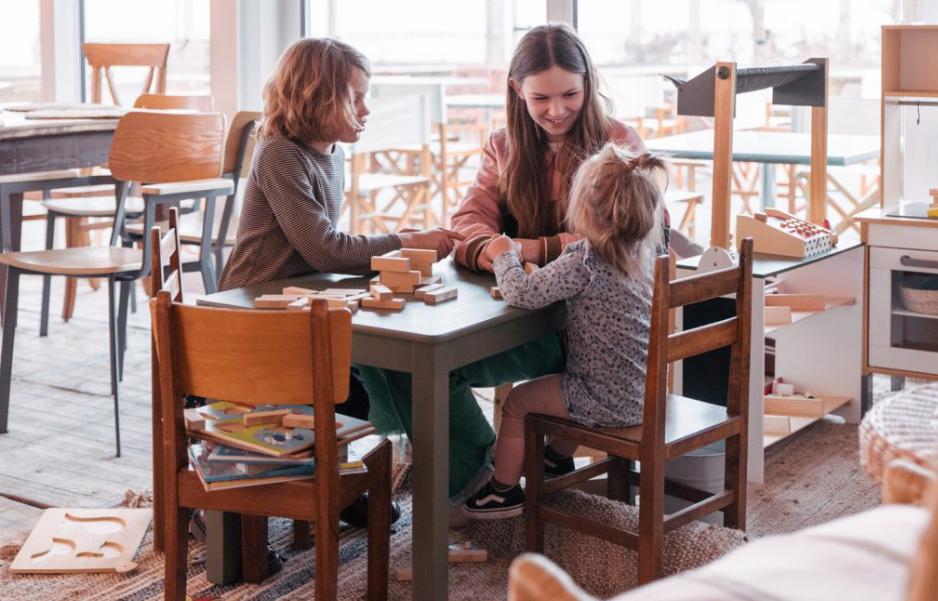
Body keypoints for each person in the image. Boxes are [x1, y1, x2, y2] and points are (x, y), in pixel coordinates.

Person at [357, 23, 649, 514]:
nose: (556, 111)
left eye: (570, 94)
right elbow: (467, 224)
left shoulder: (617, 144)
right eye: (541, 98)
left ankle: (493, 478)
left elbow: (632, 235)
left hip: (579, 333)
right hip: (523, 318)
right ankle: (483, 476)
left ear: (589, 84)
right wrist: (493, 248)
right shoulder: (503, 145)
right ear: (517, 90)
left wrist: (529, 248)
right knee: (406, 362)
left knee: (423, 369)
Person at [215, 38, 469, 532]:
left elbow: (329, 254)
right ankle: (233, 511)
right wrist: (404, 239)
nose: (366, 109)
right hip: (252, 307)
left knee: (349, 393)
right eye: (356, 97)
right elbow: (327, 249)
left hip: (298, 301)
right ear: (316, 96)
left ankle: (336, 485)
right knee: (337, 394)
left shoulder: (331, 154)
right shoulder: (279, 155)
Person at [464, 146, 665, 518]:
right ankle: (556, 459)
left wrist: (504, 252)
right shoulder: (644, 255)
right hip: (644, 395)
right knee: (566, 386)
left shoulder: (585, 259)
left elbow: (522, 293)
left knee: (520, 402)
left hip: (601, 399)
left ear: (584, 211)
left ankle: (501, 492)